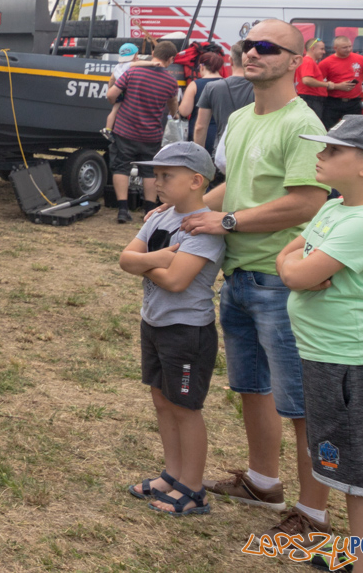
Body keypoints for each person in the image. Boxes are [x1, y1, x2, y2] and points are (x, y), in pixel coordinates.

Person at [181, 20, 330, 539]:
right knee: (251, 387)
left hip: (282, 278)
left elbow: (308, 199)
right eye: (248, 45)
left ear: (296, 60)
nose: (252, 53)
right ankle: (265, 482)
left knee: (301, 403)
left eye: (268, 47)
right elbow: (234, 187)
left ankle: (313, 518)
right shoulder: (241, 115)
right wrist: (182, 213)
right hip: (240, 274)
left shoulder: (303, 122)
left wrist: (224, 222)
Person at [275, 116, 363, 573]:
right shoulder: (335, 208)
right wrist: (296, 263)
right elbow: (289, 258)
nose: (321, 156)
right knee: (337, 462)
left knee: (361, 477)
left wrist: (298, 265)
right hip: (326, 357)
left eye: (333, 151)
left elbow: (296, 271)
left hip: (352, 363)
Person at [118, 142, 227, 516]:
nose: (156, 181)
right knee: (162, 401)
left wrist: (144, 263)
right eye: (156, 174)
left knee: (185, 408)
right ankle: (173, 474)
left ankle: (193, 489)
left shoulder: (205, 228)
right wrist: (159, 259)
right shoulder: (157, 218)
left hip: (187, 331)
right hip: (155, 324)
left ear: (197, 181)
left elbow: (177, 281)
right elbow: (123, 258)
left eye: (167, 175)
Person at [107, 40, 180, 224]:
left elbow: (111, 95)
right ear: (171, 59)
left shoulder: (133, 71)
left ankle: (123, 210)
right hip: (151, 134)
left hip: (125, 129)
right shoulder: (171, 82)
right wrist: (174, 114)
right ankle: (149, 211)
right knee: (149, 171)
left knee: (121, 167)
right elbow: (173, 107)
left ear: (154, 52)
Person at [194, 46, 254, 162]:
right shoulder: (261, 88)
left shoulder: (212, 87)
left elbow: (200, 127)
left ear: (230, 60)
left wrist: (199, 159)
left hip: (223, 153)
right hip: (252, 153)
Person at [318, 36, 363, 129]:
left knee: (354, 130)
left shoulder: (362, 59)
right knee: (329, 130)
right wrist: (337, 86)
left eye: (350, 46)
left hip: (354, 102)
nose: (348, 49)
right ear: (335, 48)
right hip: (333, 102)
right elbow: (317, 84)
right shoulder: (326, 63)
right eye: (344, 47)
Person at [179, 51, 225, 151]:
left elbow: (184, 111)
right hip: (223, 134)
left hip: (199, 135)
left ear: (201, 67)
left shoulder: (195, 85)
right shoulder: (227, 84)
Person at [295, 38, 330, 125]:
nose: (324, 52)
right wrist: (327, 85)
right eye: (321, 49)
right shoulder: (308, 62)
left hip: (311, 100)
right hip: (311, 100)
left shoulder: (309, 62)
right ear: (313, 49)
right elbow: (306, 80)